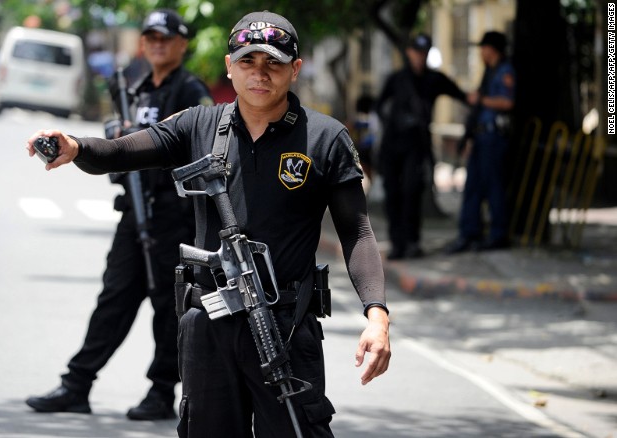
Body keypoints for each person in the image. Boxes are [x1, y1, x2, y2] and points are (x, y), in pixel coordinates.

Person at [25, 11, 391, 437]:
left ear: (295, 69)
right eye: (248, 62)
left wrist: (377, 316)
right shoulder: (198, 125)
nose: (260, 74)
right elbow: (122, 151)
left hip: (286, 328)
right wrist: (76, 146)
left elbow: (358, 232)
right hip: (210, 326)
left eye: (272, 62)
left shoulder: (326, 138)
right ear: (229, 66)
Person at [25, 9, 213, 421]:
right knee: (114, 298)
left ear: (182, 44)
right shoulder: (132, 87)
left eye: (166, 37)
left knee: (170, 306)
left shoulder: (190, 92)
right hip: (134, 214)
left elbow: (200, 153)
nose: (158, 44)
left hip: (175, 215)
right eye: (151, 37)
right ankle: (76, 384)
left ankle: (162, 392)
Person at [375, 34, 469, 260]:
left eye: (424, 53)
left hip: (416, 147)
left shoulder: (433, 80)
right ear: (409, 53)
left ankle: (412, 242)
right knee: (393, 194)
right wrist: (394, 120)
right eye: (416, 53)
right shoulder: (397, 79)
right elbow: (379, 106)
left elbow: (461, 94)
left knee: (412, 193)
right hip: (392, 145)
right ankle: (397, 244)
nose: (419, 58)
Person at [446, 31, 515, 253]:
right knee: (473, 187)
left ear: (493, 49)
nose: (481, 53)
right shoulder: (489, 72)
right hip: (480, 137)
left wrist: (481, 100)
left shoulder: (505, 71)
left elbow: (507, 102)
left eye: (484, 48)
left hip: (494, 138)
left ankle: (498, 234)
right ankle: (469, 233)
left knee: (494, 187)